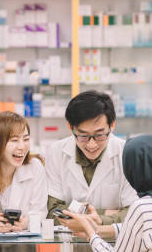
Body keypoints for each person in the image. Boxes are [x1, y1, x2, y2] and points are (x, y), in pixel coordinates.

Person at [45, 90, 137, 227]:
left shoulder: (127, 154)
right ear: (71, 128)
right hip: (69, 243)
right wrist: (108, 213)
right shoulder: (57, 152)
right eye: (83, 136)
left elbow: (133, 212)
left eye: (99, 135)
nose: (91, 144)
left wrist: (98, 220)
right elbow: (52, 211)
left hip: (114, 244)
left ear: (112, 126)